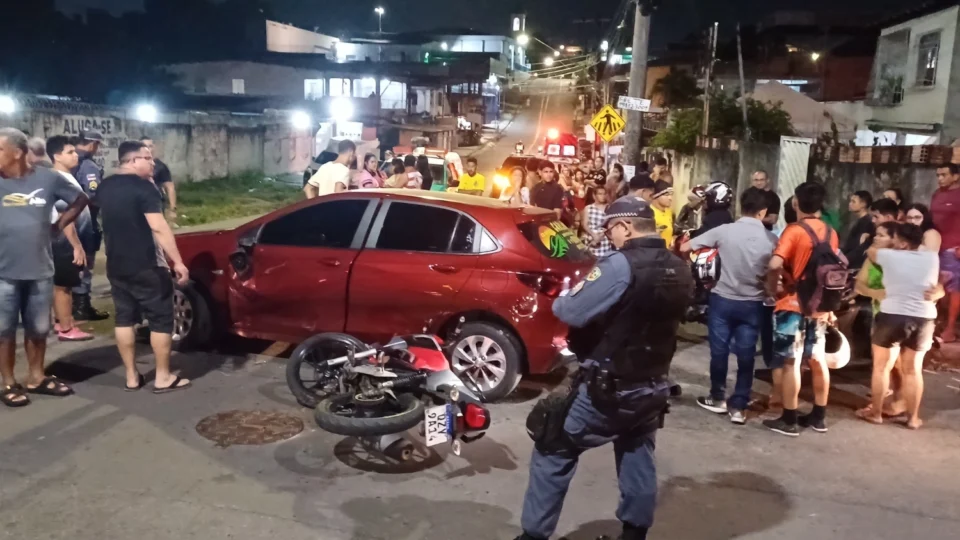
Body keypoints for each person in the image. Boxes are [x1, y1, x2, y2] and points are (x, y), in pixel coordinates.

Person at [516, 196, 693, 540]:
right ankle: (634, 533)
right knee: (637, 447)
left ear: (625, 227)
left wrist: (568, 297)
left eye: (611, 229)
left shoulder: (619, 265)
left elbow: (571, 311)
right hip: (654, 384)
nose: (609, 236)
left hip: (610, 388)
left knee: (553, 444)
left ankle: (533, 535)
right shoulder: (678, 266)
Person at [0, 128, 88, 407]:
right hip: (3, 272)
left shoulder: (48, 178)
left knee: (38, 330)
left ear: (17, 152)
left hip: (40, 269)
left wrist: (58, 226)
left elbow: (80, 199)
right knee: (4, 332)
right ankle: (8, 382)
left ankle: (36, 377)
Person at [97, 140, 191, 394]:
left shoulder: (105, 186)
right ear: (132, 160)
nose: (153, 163)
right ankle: (162, 377)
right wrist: (178, 261)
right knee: (161, 319)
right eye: (148, 159)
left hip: (116, 264)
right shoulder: (145, 189)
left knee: (125, 319)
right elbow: (159, 227)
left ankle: (131, 376)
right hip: (147, 265)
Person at [683, 187, 778, 424]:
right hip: (753, 303)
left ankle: (717, 397)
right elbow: (778, 269)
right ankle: (738, 406)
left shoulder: (724, 231)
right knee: (746, 355)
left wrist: (705, 270)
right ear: (763, 212)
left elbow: (686, 248)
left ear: (741, 207)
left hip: (722, 299)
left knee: (719, 351)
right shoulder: (772, 239)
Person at [763, 182, 838, 436]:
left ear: (796, 202)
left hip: (792, 305)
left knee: (791, 361)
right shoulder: (830, 232)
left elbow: (775, 264)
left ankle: (789, 418)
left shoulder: (794, 231)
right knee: (817, 359)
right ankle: (819, 416)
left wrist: (773, 290)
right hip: (819, 306)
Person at [858, 223, 941, 430]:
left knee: (881, 367)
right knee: (913, 370)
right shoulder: (931, 257)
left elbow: (870, 251)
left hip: (892, 314)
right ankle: (913, 419)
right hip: (924, 318)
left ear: (903, 244)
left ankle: (876, 413)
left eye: (894, 239)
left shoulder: (889, 256)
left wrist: (884, 245)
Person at [854, 222, 906, 418]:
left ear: (895, 240)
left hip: (900, 316)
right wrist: (875, 292)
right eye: (876, 234)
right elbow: (860, 283)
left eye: (882, 235)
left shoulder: (903, 260)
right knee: (890, 365)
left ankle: (881, 407)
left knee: (890, 365)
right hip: (880, 313)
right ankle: (894, 402)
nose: (876, 238)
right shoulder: (872, 258)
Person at [46, 136, 94, 342]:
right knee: (63, 285)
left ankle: (62, 320)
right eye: (70, 152)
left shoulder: (67, 176)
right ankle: (66, 328)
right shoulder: (58, 179)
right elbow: (63, 217)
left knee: (62, 283)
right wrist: (76, 245)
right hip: (63, 242)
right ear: (56, 156)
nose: (76, 155)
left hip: (67, 240)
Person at [71, 130, 109, 322]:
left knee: (68, 263)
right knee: (86, 264)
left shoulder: (65, 161)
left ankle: (67, 307)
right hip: (86, 222)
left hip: (65, 221)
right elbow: (93, 196)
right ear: (93, 144)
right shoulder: (88, 166)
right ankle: (81, 306)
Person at [932, 164, 960, 342]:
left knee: (953, 289)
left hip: (954, 249)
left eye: (944, 175)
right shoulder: (937, 194)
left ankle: (950, 328)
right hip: (936, 247)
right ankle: (939, 324)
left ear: (956, 176)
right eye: (938, 175)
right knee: (938, 287)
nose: (940, 178)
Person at [140, 137, 178, 222]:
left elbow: (170, 187)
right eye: (145, 146)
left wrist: (173, 209)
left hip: (156, 204)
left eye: (150, 146)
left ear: (154, 147)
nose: (148, 149)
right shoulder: (134, 165)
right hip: (138, 203)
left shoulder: (161, 166)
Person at [842, 190, 875, 268]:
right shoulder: (860, 221)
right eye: (850, 201)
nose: (850, 204)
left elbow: (858, 247)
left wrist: (844, 260)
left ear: (863, 204)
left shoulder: (866, 222)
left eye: (853, 202)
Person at [580, 185, 612, 258]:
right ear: (594, 195)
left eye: (604, 194)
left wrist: (600, 236)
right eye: (600, 194)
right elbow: (585, 224)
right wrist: (594, 235)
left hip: (604, 240)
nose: (603, 196)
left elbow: (611, 225)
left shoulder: (609, 208)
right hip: (591, 238)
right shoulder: (588, 208)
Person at [650, 180, 674, 246]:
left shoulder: (669, 212)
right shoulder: (649, 213)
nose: (670, 198)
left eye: (671, 195)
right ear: (656, 196)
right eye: (666, 195)